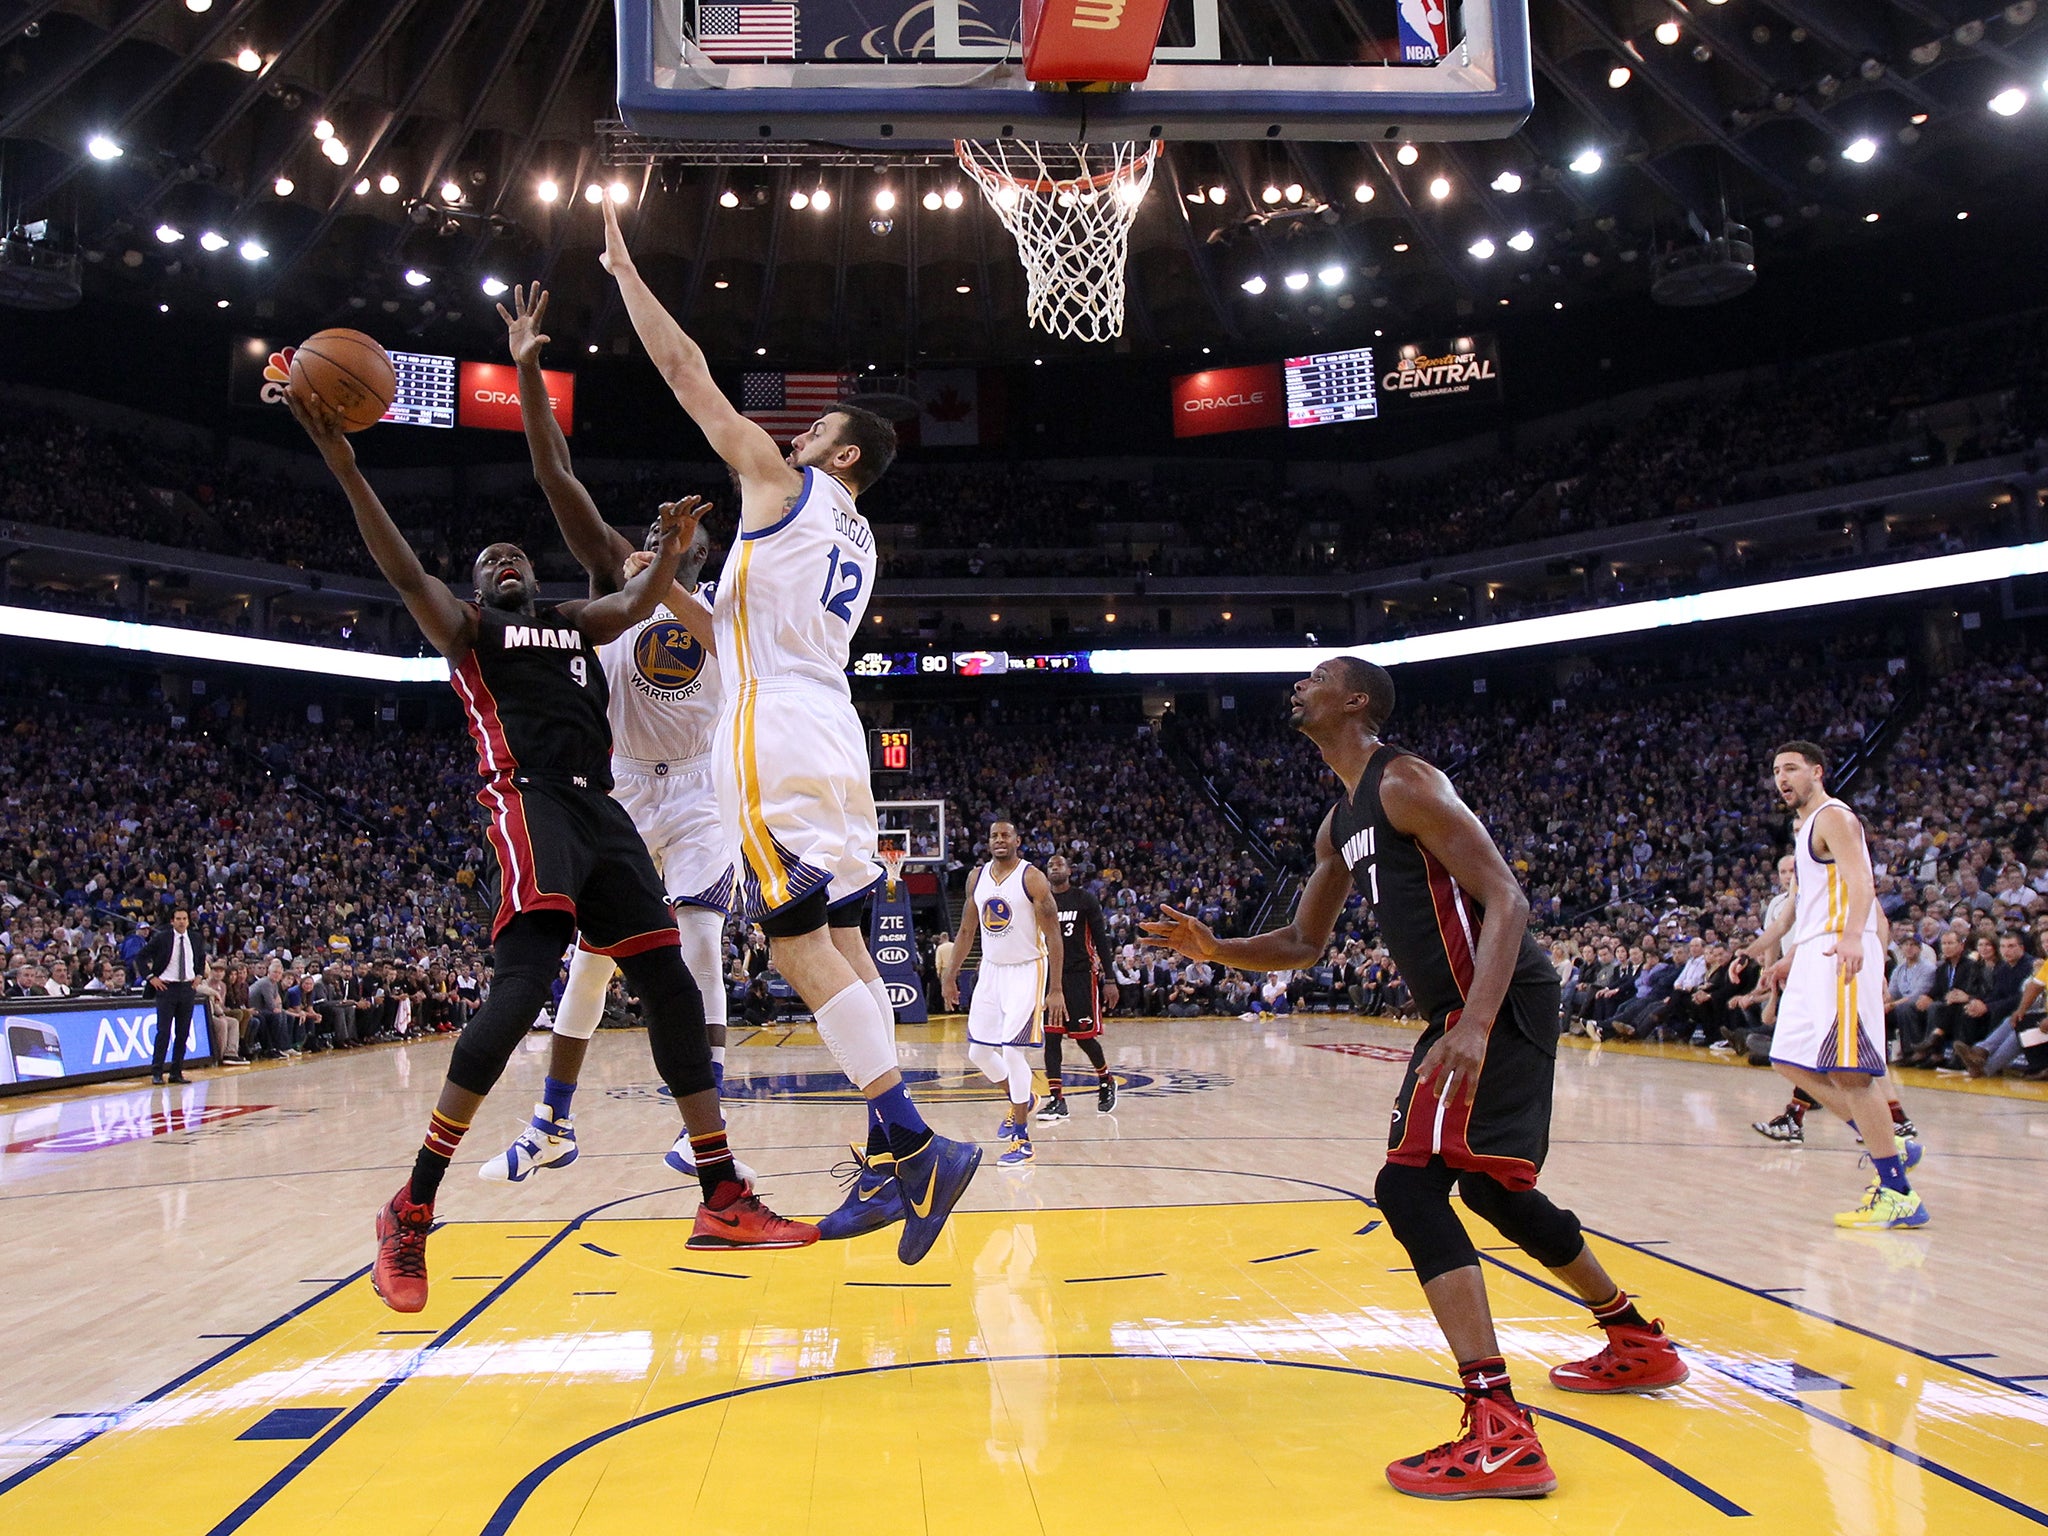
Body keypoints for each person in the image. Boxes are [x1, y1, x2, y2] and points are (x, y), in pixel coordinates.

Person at [283, 382, 812, 1316]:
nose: (508, 561)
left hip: (604, 810)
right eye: (492, 560)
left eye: (517, 553)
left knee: (672, 983)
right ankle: (410, 1208)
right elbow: (405, 569)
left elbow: (638, 596)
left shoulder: (574, 622)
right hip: (528, 804)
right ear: (478, 587)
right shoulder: (469, 630)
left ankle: (721, 1193)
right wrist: (342, 461)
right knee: (525, 988)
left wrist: (672, 557)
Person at [1142, 657, 1686, 1502]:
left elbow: (1507, 897)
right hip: (1466, 1012)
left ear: (1355, 700)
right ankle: (1634, 1340)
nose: (1298, 686)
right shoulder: (1339, 824)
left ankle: (1499, 1430)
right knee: (1496, 1193)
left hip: (1494, 1003)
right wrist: (1218, 951)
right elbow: (1301, 944)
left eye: (1316, 676)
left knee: (1409, 1191)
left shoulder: (1406, 782)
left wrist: (1473, 1024)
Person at [602, 199, 977, 1264]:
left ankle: (915, 1145)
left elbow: (687, 378)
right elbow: (730, 628)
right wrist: (665, 582)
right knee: (847, 942)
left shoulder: (788, 484)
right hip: (828, 729)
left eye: (813, 431)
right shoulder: (854, 539)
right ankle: (884, 1158)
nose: (791, 438)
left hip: (765, 734)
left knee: (793, 941)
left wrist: (626, 276)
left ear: (842, 452)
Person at [479, 285, 743, 1190]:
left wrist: (672, 558)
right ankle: (553, 1121)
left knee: (699, 944)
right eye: (652, 536)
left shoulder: (722, 615)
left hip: (702, 788)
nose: (655, 543)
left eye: (675, 540)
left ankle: (709, 1112)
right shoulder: (614, 586)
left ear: (696, 553)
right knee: (590, 965)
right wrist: (526, 371)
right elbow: (558, 480)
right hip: (621, 785)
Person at [1748, 742, 1927, 1229]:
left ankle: (1898, 1192)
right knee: (1789, 1058)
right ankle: (1890, 1142)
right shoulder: (1805, 828)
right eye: (1776, 771)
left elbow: (1863, 883)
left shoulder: (1834, 817)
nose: (1781, 778)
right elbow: (1812, 909)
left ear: (1817, 772)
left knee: (1852, 1072)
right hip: (1815, 953)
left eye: (1791, 768)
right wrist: (1788, 957)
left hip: (1841, 953)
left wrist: (1851, 940)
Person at [941, 821, 1066, 1165]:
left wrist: (1055, 989)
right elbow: (967, 930)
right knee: (978, 1053)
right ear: (988, 841)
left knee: (1013, 1053)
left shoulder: (1032, 878)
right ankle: (1020, 1099)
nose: (999, 840)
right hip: (992, 970)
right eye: (994, 835)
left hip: (1027, 969)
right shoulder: (976, 878)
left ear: (1017, 841)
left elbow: (1054, 936)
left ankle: (1022, 1140)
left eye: (1005, 835)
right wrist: (950, 976)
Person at [1037, 852, 1119, 1122]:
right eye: (1050, 865)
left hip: (1080, 976)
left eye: (1059, 864)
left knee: (1083, 1037)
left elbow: (1101, 940)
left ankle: (1106, 1079)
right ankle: (1056, 1099)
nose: (1054, 867)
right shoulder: (1040, 901)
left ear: (1070, 870)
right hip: (1049, 978)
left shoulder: (1084, 899)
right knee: (1051, 1037)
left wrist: (1109, 979)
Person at [142, 906, 205, 1084]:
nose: (181, 921)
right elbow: (141, 957)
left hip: (187, 988)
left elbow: (201, 958)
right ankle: (157, 1071)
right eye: (178, 918)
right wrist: (151, 978)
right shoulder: (162, 938)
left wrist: (199, 976)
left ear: (188, 921)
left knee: (183, 1032)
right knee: (163, 1032)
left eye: (184, 918)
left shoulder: (195, 938)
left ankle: (176, 1072)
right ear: (172, 921)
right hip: (166, 988)